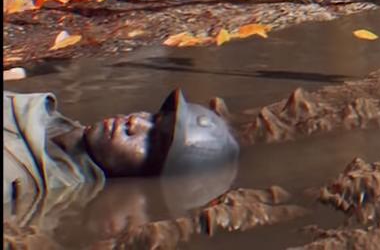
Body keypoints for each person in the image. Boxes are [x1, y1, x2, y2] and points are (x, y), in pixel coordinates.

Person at [4, 89, 238, 229]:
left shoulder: (24, 184)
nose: (135, 122)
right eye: (155, 118)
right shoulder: (41, 110)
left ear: (144, 180)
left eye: (153, 141)